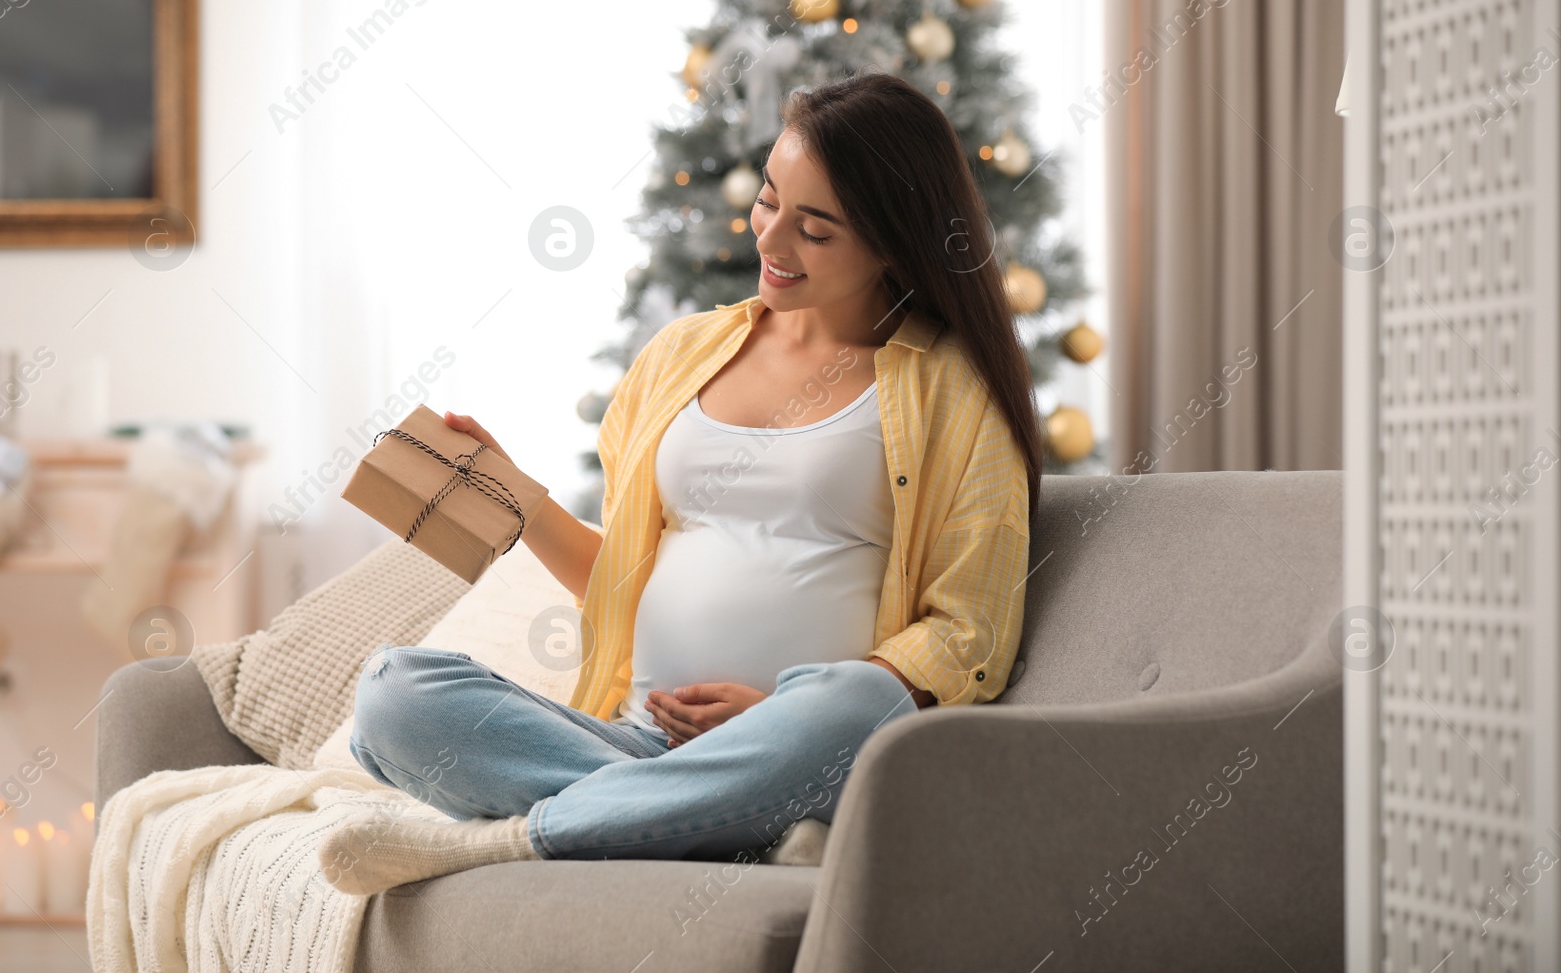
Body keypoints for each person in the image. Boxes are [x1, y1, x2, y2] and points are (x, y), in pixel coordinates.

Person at [319, 69, 1042, 894]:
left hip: (808, 742)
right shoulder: (680, 356)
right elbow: (627, 579)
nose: (770, 242)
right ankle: (741, 827)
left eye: (816, 229)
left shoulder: (952, 387)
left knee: (855, 706)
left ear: (891, 241)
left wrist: (776, 716)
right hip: (632, 740)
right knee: (393, 696)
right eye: (769, 200)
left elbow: (968, 633)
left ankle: (516, 840)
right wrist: (519, 498)